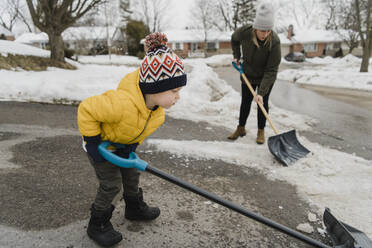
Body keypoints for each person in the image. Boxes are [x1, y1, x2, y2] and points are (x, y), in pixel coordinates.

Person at [77, 32, 187, 247]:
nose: (178, 97)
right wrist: (92, 144)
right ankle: (97, 222)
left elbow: (139, 130)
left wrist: (131, 147)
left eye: (179, 91)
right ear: (154, 88)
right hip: (99, 147)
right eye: (174, 90)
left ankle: (134, 208)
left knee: (131, 175)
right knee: (112, 185)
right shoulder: (121, 103)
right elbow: (86, 109)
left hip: (122, 146)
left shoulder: (158, 113)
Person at [228, 1, 281, 144]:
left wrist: (261, 93)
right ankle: (241, 128)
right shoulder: (245, 32)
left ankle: (261, 131)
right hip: (248, 74)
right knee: (245, 102)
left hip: (266, 77)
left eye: (268, 30)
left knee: (262, 104)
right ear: (256, 27)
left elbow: (272, 70)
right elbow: (234, 39)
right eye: (262, 30)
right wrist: (237, 56)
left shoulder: (274, 41)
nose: (265, 34)